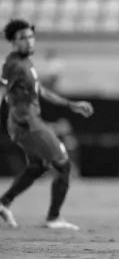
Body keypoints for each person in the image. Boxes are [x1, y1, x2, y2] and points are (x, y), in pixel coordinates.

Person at [0, 19, 94, 230]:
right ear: (13, 43)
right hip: (26, 123)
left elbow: (41, 91)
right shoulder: (13, 65)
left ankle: (4, 202)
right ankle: (54, 218)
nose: (28, 41)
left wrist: (71, 104)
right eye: (22, 38)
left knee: (37, 166)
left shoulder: (26, 64)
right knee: (63, 164)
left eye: (30, 37)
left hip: (27, 122)